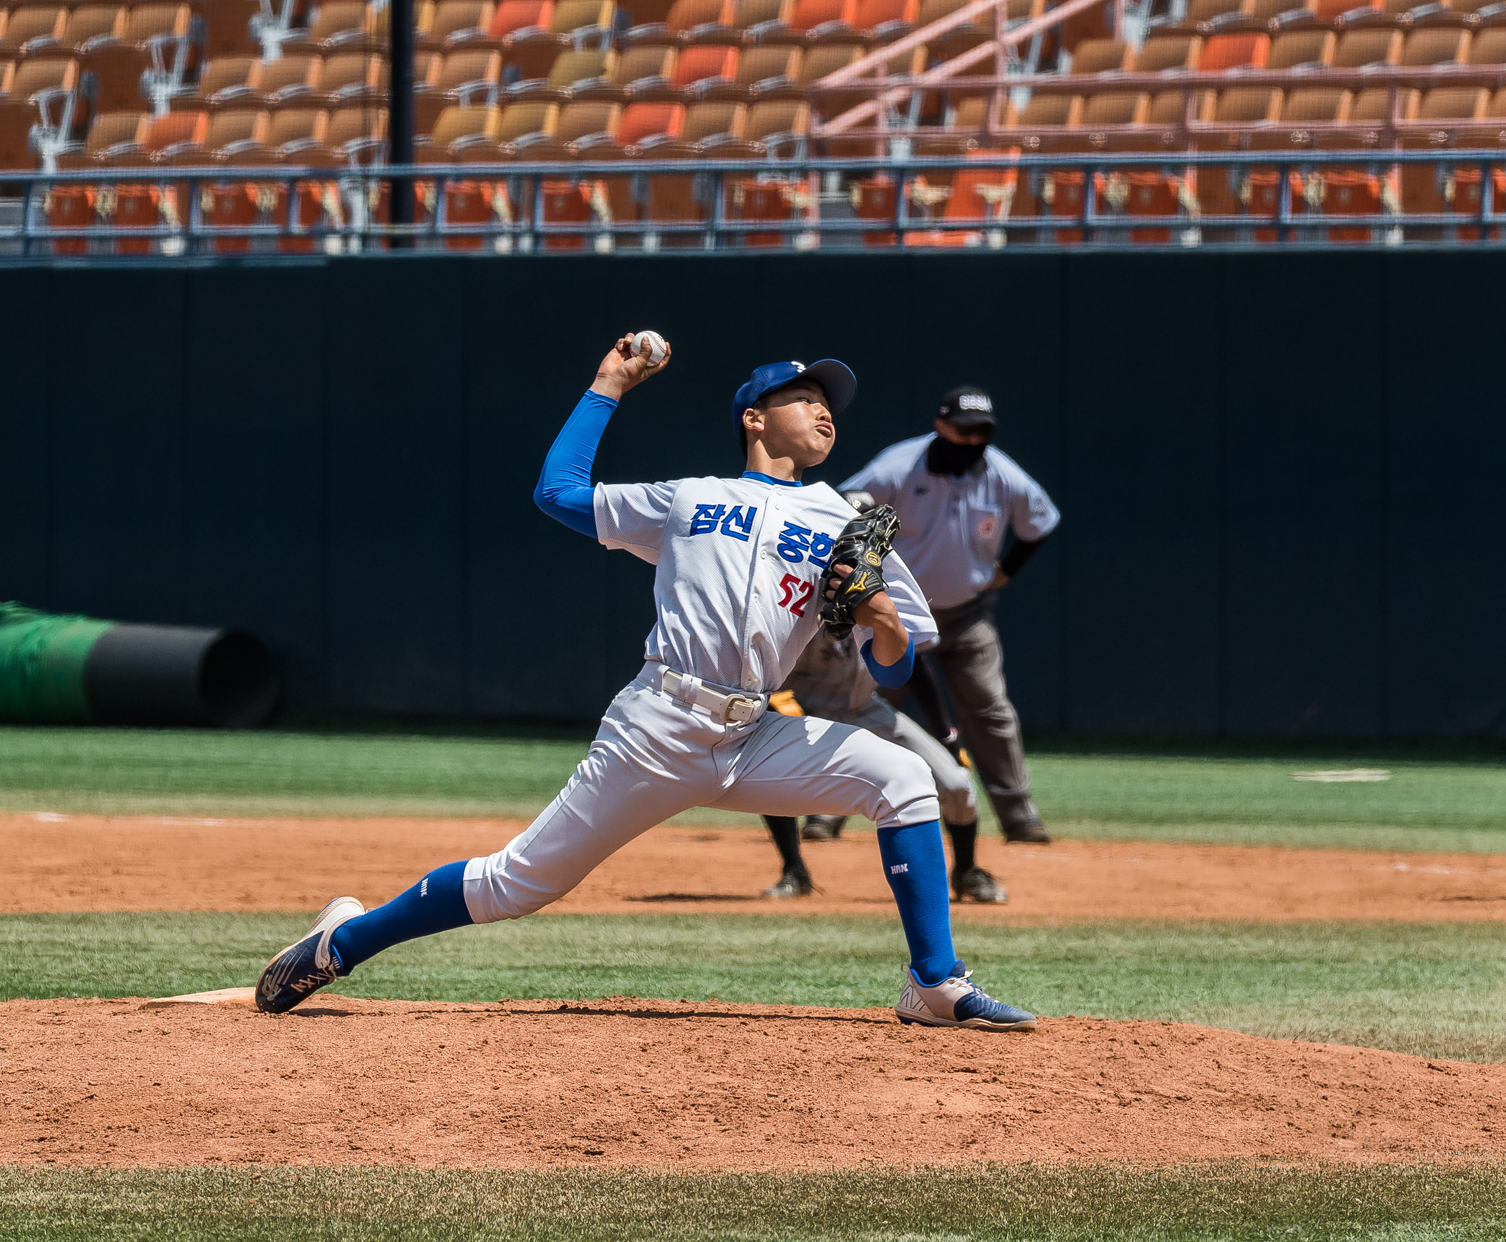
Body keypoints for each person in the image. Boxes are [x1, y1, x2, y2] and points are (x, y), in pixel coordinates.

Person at [253, 339, 1037, 1031]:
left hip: (754, 735)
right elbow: (557, 494)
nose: (824, 410)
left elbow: (890, 668)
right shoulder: (690, 498)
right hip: (658, 724)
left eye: (829, 402)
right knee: (518, 882)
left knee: (904, 776)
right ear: (754, 420)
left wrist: (885, 620)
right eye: (803, 397)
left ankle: (934, 983)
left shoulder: (845, 520)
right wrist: (608, 387)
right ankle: (340, 941)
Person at [842, 386, 1060, 843]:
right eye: (965, 430)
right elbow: (847, 503)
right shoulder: (900, 465)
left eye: (982, 431)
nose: (974, 440)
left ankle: (1019, 816)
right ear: (941, 426)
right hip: (897, 617)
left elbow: (1040, 522)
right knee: (868, 709)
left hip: (967, 614)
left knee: (991, 712)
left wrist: (1005, 572)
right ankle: (830, 813)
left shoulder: (1002, 474)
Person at [757, 629, 1009, 904]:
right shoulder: (804, 608)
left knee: (956, 784)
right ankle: (794, 871)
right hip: (807, 712)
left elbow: (913, 665)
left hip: (866, 709)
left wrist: (946, 734)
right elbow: (763, 667)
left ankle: (966, 871)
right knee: (769, 772)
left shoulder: (879, 606)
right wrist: (777, 707)